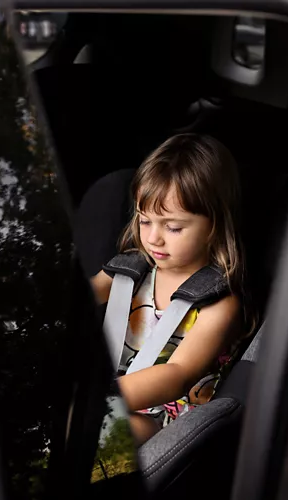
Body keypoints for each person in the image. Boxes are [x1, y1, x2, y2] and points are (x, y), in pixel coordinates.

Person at [90, 133, 254, 445]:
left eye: (173, 227)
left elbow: (179, 373)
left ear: (215, 225)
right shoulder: (128, 271)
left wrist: (100, 397)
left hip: (166, 416)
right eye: (144, 220)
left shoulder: (218, 303)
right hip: (112, 393)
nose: (153, 238)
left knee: (97, 436)